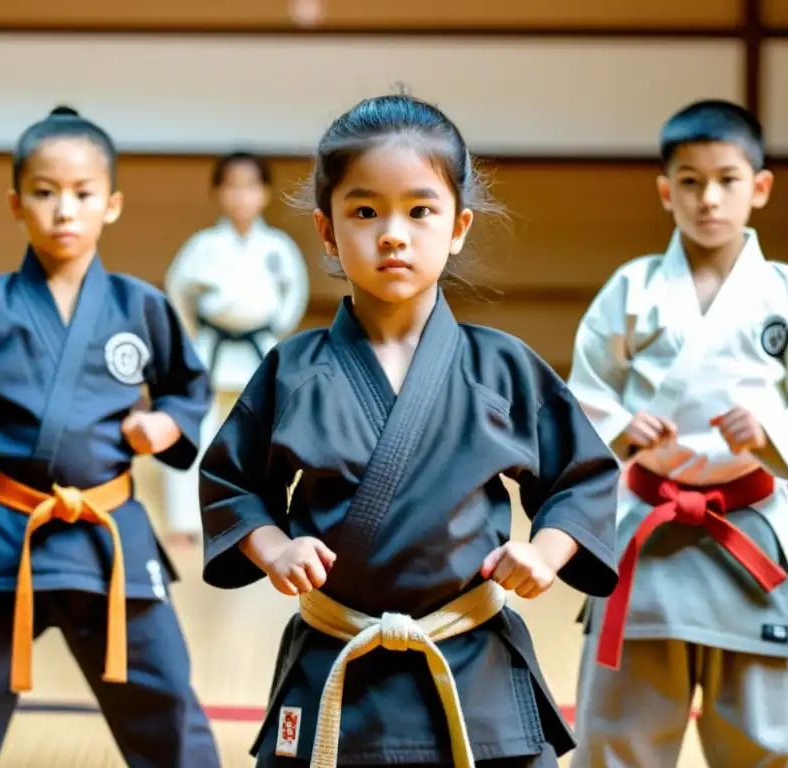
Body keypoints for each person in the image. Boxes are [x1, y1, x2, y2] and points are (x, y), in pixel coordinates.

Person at [197, 93, 621, 767]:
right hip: (340, 659)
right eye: (365, 211)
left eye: (420, 210)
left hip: (471, 660)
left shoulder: (501, 367)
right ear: (327, 231)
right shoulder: (295, 370)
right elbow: (231, 480)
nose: (393, 233)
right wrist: (275, 548)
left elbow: (582, 477)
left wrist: (546, 552)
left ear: (458, 226)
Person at [0, 106, 222, 768]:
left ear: (111, 204)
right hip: (8, 532)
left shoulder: (140, 305)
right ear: (16, 202)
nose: (65, 209)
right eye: (44, 192)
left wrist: (166, 422)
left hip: (109, 532)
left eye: (83, 193)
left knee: (167, 701)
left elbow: (188, 385)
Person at [567, 99, 788, 767]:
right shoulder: (632, 288)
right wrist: (620, 421)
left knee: (764, 736)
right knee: (623, 731)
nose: (709, 198)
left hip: (749, 524)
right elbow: (584, 387)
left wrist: (773, 429)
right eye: (691, 182)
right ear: (667, 191)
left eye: (727, 179)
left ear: (758, 188)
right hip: (650, 524)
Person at [162, 151, 310, 544]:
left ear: (264, 193)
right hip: (210, 348)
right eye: (232, 186)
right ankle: (186, 524)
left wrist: (273, 333)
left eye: (250, 186)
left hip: (258, 349)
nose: (241, 196)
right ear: (219, 193)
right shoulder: (203, 246)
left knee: (260, 439)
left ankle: (256, 519)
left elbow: (294, 297)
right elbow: (178, 293)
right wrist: (193, 334)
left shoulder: (278, 247)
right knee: (194, 433)